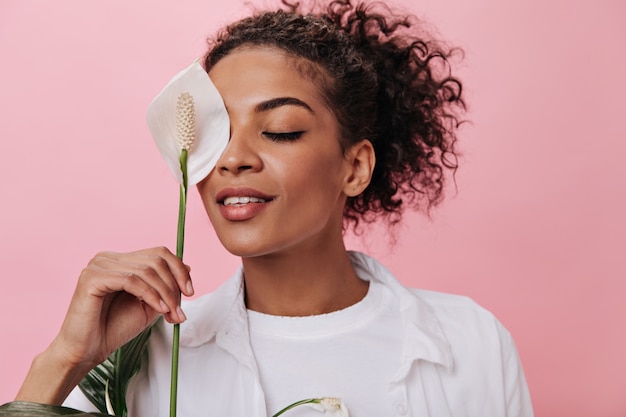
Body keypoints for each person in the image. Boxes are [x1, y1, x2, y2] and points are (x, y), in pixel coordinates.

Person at [14, 0, 533, 415]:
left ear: (353, 167)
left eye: (280, 131)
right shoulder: (143, 354)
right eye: (216, 135)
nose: (232, 160)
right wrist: (65, 358)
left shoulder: (471, 344)